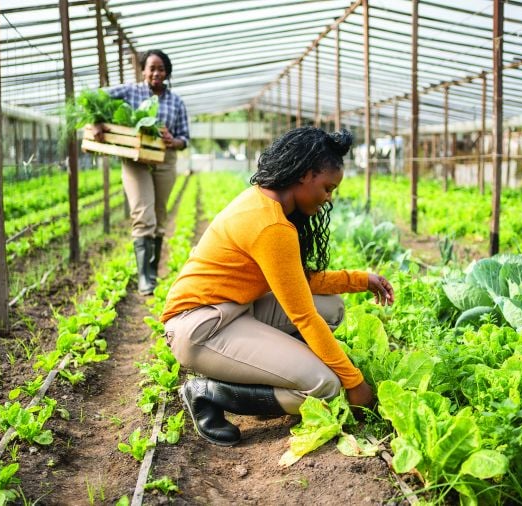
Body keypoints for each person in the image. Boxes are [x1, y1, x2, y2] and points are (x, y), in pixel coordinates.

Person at [160, 127, 394, 446]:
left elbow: (300, 283)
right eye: (327, 188)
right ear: (305, 175)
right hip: (200, 329)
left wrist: (360, 280)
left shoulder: (263, 201)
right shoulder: (272, 225)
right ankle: (208, 393)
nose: (329, 199)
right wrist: (355, 384)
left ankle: (268, 373)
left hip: (233, 310)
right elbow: (303, 316)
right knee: (325, 387)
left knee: (332, 307)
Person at [92, 49, 190, 295]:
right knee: (143, 214)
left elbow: (185, 138)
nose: (156, 73)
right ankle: (144, 278)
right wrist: (97, 122)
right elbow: (96, 98)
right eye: (151, 68)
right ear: (143, 70)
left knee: (159, 216)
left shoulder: (176, 101)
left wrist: (173, 140)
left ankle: (153, 271)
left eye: (161, 68)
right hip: (135, 159)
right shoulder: (130, 91)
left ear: (167, 72)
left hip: (165, 160)